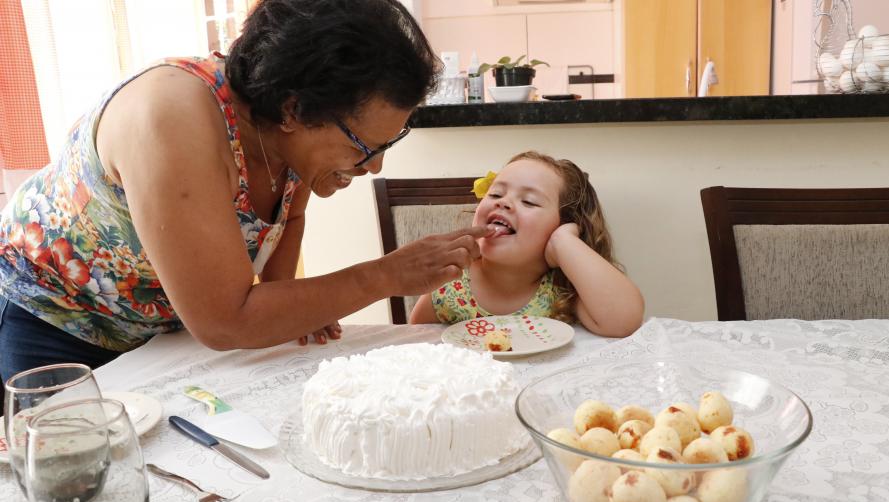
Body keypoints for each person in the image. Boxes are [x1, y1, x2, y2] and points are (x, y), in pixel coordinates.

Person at [0, 0, 490, 382]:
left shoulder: (279, 129)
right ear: (295, 110)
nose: (374, 166)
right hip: (53, 322)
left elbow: (289, 218)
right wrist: (384, 275)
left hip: (162, 334)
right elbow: (225, 321)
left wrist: (290, 304)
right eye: (364, 145)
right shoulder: (172, 116)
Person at [410, 151, 644, 338]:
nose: (504, 203)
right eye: (495, 195)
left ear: (562, 225)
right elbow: (413, 342)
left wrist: (565, 243)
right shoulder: (451, 280)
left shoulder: (565, 288)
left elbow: (623, 322)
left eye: (529, 202)